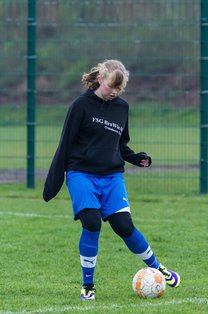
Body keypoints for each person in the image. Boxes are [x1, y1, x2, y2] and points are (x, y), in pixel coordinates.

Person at [43, 59, 181, 300]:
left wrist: (136, 158)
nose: (114, 92)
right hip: (81, 174)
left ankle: (158, 268)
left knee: (124, 226)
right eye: (110, 87)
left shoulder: (121, 108)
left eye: (119, 89)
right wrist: (54, 181)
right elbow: (65, 144)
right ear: (100, 79)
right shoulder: (80, 106)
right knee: (92, 222)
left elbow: (120, 144)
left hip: (111, 176)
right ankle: (88, 285)